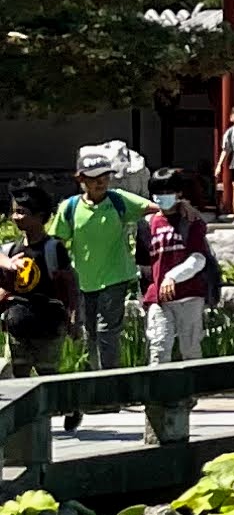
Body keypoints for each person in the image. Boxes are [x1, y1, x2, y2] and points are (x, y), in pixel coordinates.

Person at [138, 166, 220, 446]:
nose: (163, 198)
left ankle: (188, 396)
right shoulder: (148, 224)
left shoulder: (191, 222)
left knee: (189, 347)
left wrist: (173, 276)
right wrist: (146, 292)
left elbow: (198, 259)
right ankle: (157, 397)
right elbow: (145, 263)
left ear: (179, 193)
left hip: (189, 294)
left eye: (168, 193)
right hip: (157, 298)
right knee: (158, 346)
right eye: (157, 193)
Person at [50, 152, 142, 383]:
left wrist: (182, 207)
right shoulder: (70, 207)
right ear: (80, 179)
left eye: (105, 176)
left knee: (106, 332)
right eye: (94, 177)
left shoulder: (118, 200)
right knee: (88, 332)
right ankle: (95, 385)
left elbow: (155, 208)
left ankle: (111, 388)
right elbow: (56, 242)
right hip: (83, 280)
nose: (101, 182)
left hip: (115, 277)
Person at [2, 184, 79, 377]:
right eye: (13, 212)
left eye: (21, 212)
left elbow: (69, 284)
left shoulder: (53, 249)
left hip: (48, 325)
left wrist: (74, 317)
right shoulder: (11, 251)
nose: (15, 217)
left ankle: (55, 407)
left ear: (39, 216)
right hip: (18, 326)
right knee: (19, 374)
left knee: (48, 372)